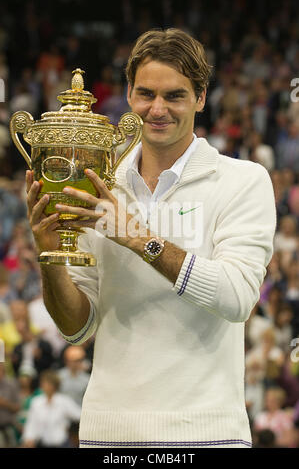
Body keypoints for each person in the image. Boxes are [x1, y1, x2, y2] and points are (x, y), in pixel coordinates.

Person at [25, 28, 276, 448]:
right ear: (128, 93)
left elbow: (236, 298)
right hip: (106, 436)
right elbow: (77, 328)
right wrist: (50, 254)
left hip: (207, 437)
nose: (157, 109)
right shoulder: (97, 184)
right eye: (146, 94)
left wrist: (135, 236)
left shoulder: (243, 181)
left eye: (175, 96)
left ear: (200, 97)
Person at [22, 369, 81, 448]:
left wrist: (73, 432)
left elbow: (79, 415)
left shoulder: (64, 401)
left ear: (54, 385)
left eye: (48, 383)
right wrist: (28, 438)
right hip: (42, 444)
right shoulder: (36, 402)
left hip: (62, 444)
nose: (45, 386)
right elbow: (32, 423)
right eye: (43, 383)